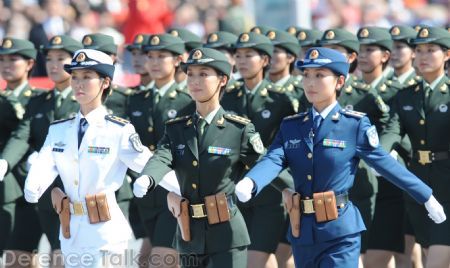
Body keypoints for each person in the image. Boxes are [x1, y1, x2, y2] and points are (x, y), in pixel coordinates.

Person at [235, 47, 446, 267]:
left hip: (339, 231)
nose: (310, 83)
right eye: (306, 75)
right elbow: (273, 159)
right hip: (303, 230)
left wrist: (426, 196)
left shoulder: (353, 125)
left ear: (339, 81)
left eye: (319, 75)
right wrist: (252, 181)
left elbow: (386, 165)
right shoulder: (292, 126)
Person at [133, 47, 263, 268]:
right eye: (190, 74)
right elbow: (162, 157)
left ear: (223, 80)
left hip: (226, 233)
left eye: (203, 74)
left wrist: (289, 189)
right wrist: (148, 178)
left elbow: (265, 165)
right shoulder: (177, 128)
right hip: (189, 233)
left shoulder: (238, 129)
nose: (194, 81)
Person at [23, 48, 152, 267]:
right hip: (72, 231)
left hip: (105, 232)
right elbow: (46, 162)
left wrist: (175, 188)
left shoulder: (118, 130)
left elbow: (151, 164)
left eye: (87, 77)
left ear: (105, 83)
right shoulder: (60, 130)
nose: (78, 84)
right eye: (75, 77)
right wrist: (34, 183)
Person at [1, 34, 82, 268]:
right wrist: (4, 162)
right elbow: (22, 135)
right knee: (18, 259)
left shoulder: (83, 102)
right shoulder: (40, 102)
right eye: (50, 59)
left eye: (61, 58)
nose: (54, 65)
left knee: (64, 259)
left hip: (73, 193)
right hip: (38, 193)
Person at [222, 31, 296, 268]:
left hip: (270, 190)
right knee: (248, 259)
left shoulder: (281, 100)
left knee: (255, 258)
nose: (242, 61)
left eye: (249, 55)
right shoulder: (227, 97)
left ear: (265, 61)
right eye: (239, 55)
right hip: (235, 189)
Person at [381, 26, 450, 268]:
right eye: (418, 50)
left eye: (431, 50)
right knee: (430, 250)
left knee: (437, 260)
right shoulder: (405, 96)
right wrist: (378, 156)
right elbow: (392, 131)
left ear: (447, 55)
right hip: (419, 183)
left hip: (448, 184)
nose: (422, 56)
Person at [127, 33, 195, 267]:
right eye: (150, 56)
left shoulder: (187, 101)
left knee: (161, 259)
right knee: (146, 260)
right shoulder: (136, 99)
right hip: (146, 196)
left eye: (161, 56)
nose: (154, 62)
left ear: (178, 60)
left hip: (174, 191)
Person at [0, 37, 43, 267]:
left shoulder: (39, 99)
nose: (6, 64)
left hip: (29, 189)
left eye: (13, 59)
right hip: (3, 188)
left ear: (29, 64)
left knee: (21, 258)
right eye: (2, 59)